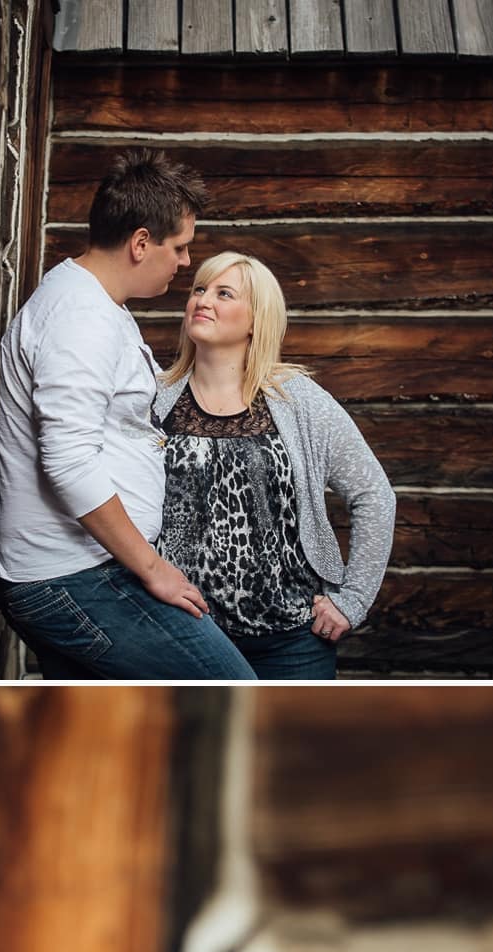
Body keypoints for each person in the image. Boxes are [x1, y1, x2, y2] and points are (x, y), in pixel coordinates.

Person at [0, 150, 256, 679]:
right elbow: (69, 461)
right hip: (75, 577)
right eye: (179, 248)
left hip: (84, 569)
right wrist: (154, 570)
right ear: (141, 243)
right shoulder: (81, 317)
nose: (185, 263)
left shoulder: (94, 304)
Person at [152, 250, 394, 679]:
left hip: (291, 640)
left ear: (255, 320)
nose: (203, 300)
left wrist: (352, 599)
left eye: (223, 293)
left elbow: (373, 493)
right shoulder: (153, 398)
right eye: (199, 289)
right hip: (182, 636)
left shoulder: (297, 400)